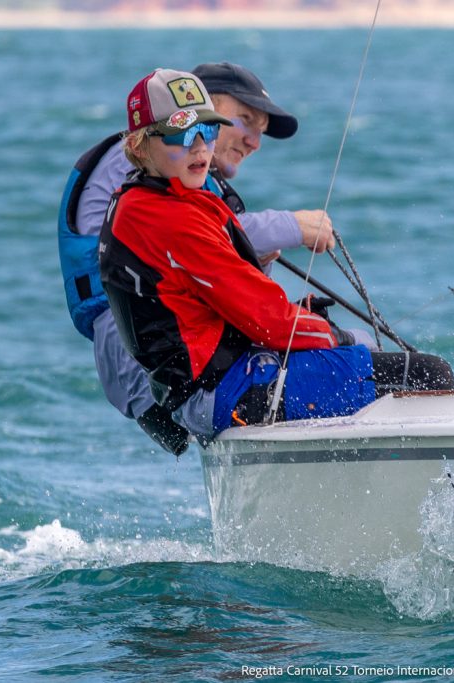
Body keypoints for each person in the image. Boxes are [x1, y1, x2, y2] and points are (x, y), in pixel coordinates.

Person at [98, 68, 454, 446]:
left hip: (208, 390)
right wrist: (335, 335)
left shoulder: (141, 200)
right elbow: (270, 322)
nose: (200, 147)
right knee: (430, 374)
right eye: (182, 134)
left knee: (365, 353)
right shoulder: (172, 219)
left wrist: (309, 323)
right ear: (139, 145)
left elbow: (211, 308)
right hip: (226, 393)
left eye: (207, 130)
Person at [58, 63, 346, 455]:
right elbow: (179, 237)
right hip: (138, 351)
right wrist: (293, 226)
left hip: (174, 345)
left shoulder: (182, 173)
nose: (254, 141)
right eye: (245, 120)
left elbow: (212, 264)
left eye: (261, 131)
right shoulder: (143, 160)